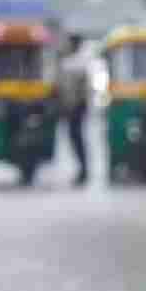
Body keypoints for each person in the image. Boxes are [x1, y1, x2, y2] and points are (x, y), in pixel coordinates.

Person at [61, 33, 90, 186]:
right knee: (74, 139)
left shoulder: (80, 62)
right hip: (70, 107)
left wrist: (78, 106)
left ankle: (83, 171)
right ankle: (82, 170)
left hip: (77, 108)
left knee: (77, 139)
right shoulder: (69, 61)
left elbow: (83, 91)